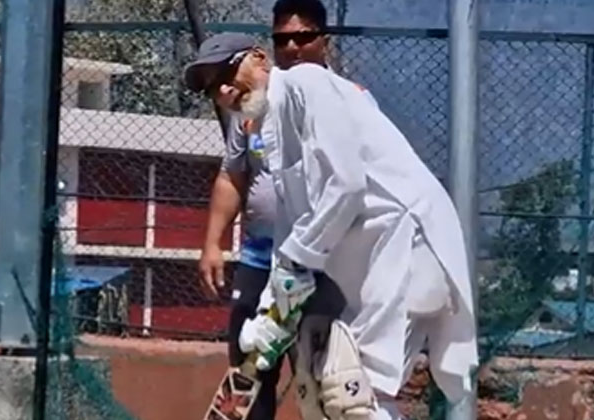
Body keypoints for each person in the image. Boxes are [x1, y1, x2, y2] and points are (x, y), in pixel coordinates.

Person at [185, 32, 478, 420]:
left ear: (259, 58)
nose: (223, 89)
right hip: (376, 267)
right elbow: (293, 234)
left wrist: (294, 269)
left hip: (406, 248)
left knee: (353, 394)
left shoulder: (306, 83)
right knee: (325, 391)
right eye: (212, 88)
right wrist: (272, 314)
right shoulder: (273, 133)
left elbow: (347, 184)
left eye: (226, 71)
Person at [197, 1, 376, 419]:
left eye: (304, 37)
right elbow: (232, 177)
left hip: (323, 264)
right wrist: (211, 243)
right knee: (249, 367)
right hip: (261, 257)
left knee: (325, 379)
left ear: (324, 42)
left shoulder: (349, 100)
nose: (293, 47)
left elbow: (359, 183)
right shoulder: (254, 110)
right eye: (282, 39)